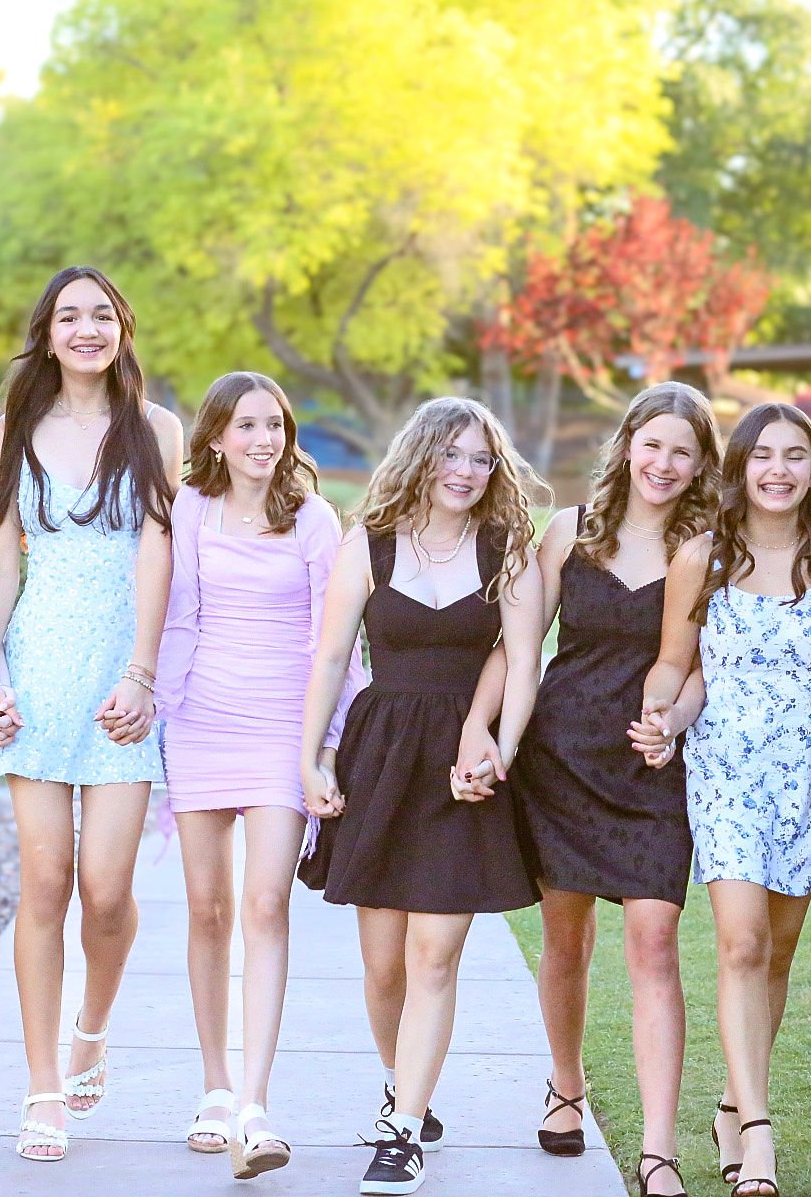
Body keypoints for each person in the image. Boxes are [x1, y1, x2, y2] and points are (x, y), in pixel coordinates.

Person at [299, 396, 546, 1196]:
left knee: (434, 956)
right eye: (453, 454)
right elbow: (331, 658)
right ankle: (402, 1086)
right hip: (382, 758)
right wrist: (311, 760)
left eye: (481, 459)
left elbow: (523, 656)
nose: (467, 471)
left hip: (463, 770)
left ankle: (401, 1133)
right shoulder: (367, 543)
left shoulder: (507, 548)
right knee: (384, 970)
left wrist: (499, 748)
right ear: (421, 456)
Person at [642, 402, 811, 1197]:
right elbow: (677, 665)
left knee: (776, 953)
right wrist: (662, 716)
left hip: (808, 775)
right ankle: (758, 1135)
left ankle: (729, 1106)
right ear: (740, 466)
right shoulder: (703, 557)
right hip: (725, 772)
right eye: (763, 456)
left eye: (795, 456)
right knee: (742, 943)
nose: (778, 471)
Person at [0, 266, 183, 1163]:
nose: (86, 329)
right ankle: (43, 1085)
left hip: (121, 680)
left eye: (101, 315)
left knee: (105, 890)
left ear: (122, 328)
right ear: (48, 334)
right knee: (46, 883)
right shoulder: (16, 427)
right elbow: (1, 563)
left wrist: (143, 674)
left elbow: (160, 553)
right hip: (38, 674)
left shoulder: (156, 429)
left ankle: (93, 1025)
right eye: (69, 316)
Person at [497, 382, 719, 1197]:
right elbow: (521, 647)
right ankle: (567, 1085)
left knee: (655, 941)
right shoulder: (570, 530)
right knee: (566, 940)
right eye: (653, 444)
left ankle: (658, 1150)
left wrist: (672, 722)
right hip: (561, 757)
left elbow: (704, 664)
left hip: (653, 765)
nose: (664, 463)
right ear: (627, 445)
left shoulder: (709, 547)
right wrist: (496, 737)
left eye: (682, 451)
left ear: (700, 465)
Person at [155, 371, 367, 1178]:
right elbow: (173, 615)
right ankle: (214, 1085)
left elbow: (335, 642)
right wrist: (154, 702)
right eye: (246, 425)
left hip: (284, 731)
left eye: (274, 425)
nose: (262, 440)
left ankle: (254, 1102)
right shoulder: (190, 508)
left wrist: (325, 749)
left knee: (266, 903)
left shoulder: (313, 518)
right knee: (207, 909)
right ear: (216, 437)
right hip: (201, 723)